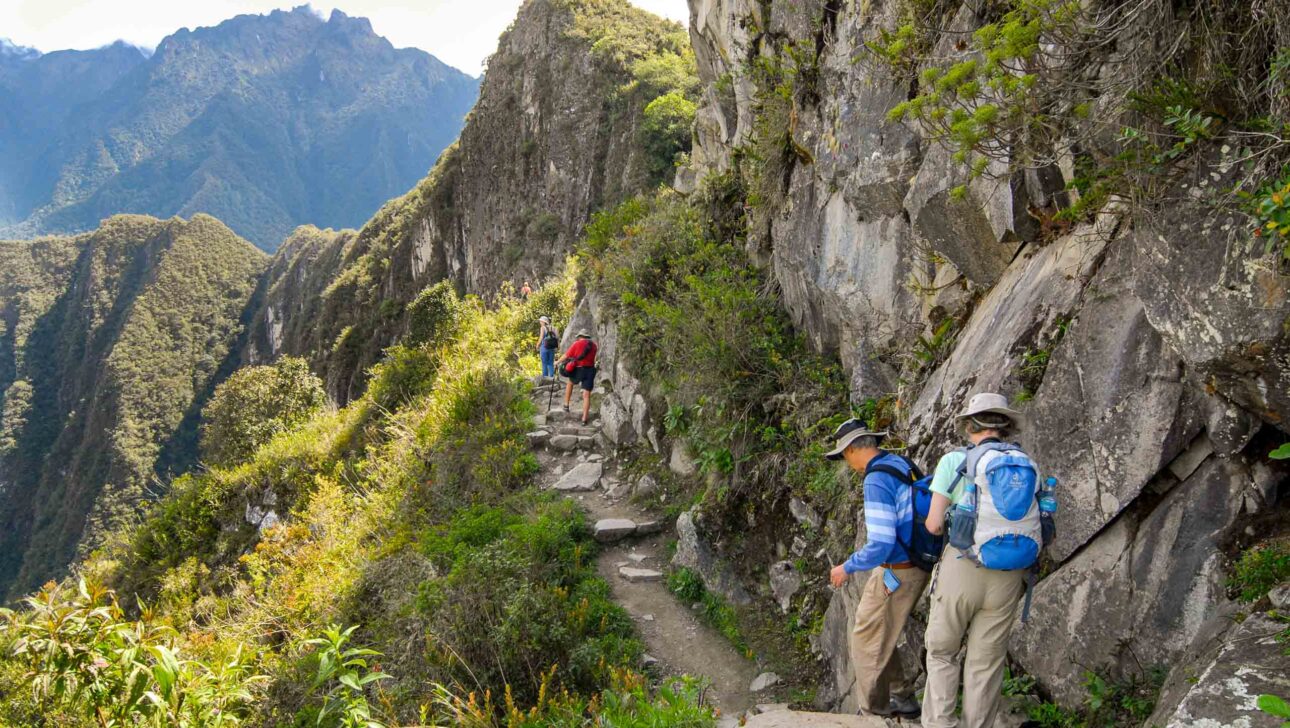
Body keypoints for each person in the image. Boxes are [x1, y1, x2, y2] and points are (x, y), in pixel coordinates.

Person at [922, 393, 1030, 728]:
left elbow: (935, 523)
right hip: (1009, 574)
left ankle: (940, 725)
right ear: (1006, 427)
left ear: (970, 426)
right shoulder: (1025, 465)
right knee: (986, 662)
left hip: (963, 567)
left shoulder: (954, 462)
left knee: (942, 651)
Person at [825, 419, 928, 720]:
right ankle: (902, 697)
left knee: (865, 641)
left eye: (845, 454)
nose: (846, 461)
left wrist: (847, 566)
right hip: (915, 563)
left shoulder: (876, 479)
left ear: (855, 448)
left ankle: (873, 715)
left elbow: (882, 542)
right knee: (878, 633)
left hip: (896, 571)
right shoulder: (899, 463)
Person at [559, 331, 597, 425]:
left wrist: (557, 362)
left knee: (570, 383)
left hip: (579, 370)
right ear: (587, 337)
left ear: (580, 336)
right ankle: (584, 419)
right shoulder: (594, 345)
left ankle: (566, 405)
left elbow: (566, 355)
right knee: (586, 394)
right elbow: (595, 359)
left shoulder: (576, 344)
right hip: (590, 371)